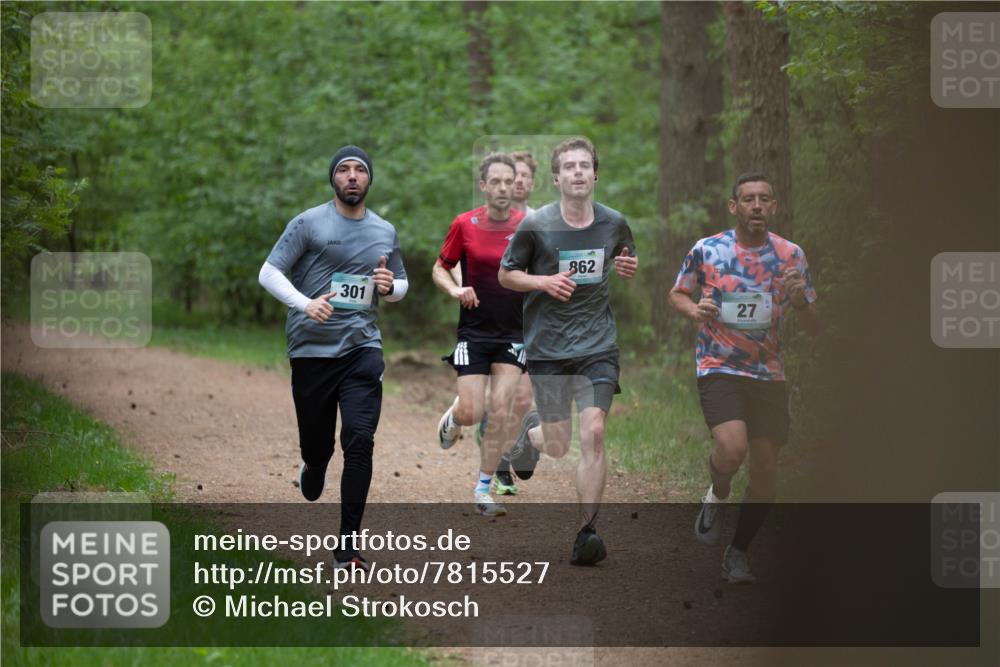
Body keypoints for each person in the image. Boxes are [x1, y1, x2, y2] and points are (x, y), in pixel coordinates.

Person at [258, 145, 408, 572]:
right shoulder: (308, 223)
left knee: (360, 440)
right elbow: (268, 272)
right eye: (344, 170)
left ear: (369, 179)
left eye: (360, 169)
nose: (353, 176)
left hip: (362, 346)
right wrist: (305, 304)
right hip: (310, 348)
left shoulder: (384, 230)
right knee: (319, 444)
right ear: (334, 179)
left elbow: (400, 284)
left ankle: (348, 545)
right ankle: (314, 463)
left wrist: (388, 286)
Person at [668, 172, 818, 584]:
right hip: (718, 365)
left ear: (773, 207)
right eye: (748, 199)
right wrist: (695, 310)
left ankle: (738, 553)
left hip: (768, 373)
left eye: (764, 199)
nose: (756, 205)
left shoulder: (791, 256)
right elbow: (677, 294)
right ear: (734, 206)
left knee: (767, 468)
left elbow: (815, 322)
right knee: (732, 449)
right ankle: (717, 492)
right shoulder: (708, 250)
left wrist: (801, 297)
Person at [499, 137, 638, 565]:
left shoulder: (615, 223)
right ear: (557, 177)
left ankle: (587, 532)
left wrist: (627, 267)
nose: (578, 172)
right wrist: (543, 282)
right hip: (549, 348)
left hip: (598, 345)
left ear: (595, 174)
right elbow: (507, 276)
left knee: (594, 431)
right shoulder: (536, 225)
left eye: (585, 166)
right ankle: (531, 436)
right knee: (558, 444)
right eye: (569, 167)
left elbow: (624, 257)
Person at [434, 153, 527, 516]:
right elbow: (440, 268)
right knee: (474, 412)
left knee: (501, 411)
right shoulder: (464, 224)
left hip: (513, 332)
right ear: (484, 186)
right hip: (473, 330)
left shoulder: (529, 226)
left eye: (510, 181)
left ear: (516, 185)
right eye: (496, 181)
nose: (504, 188)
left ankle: (483, 490)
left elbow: (544, 270)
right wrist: (455, 290)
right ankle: (455, 416)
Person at [477, 150, 539, 495]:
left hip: (530, 319)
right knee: (500, 396)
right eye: (513, 176)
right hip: (493, 321)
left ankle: (505, 447)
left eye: (525, 176)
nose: (518, 182)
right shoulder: (485, 221)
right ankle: (498, 465)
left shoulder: (541, 220)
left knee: (522, 398)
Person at [511, 150, 538, 215]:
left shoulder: (538, 222)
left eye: (525, 175)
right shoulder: (491, 219)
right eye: (514, 175)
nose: (519, 180)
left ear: (532, 184)